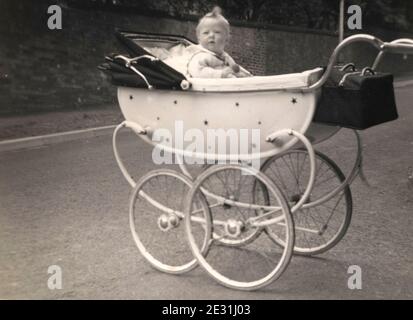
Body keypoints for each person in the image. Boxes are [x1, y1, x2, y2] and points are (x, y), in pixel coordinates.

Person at [187, 7, 251, 78]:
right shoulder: (199, 56)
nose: (211, 35)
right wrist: (220, 74)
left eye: (217, 32)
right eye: (206, 33)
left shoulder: (224, 56)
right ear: (199, 38)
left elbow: (234, 68)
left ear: (226, 38)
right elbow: (197, 71)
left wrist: (245, 75)